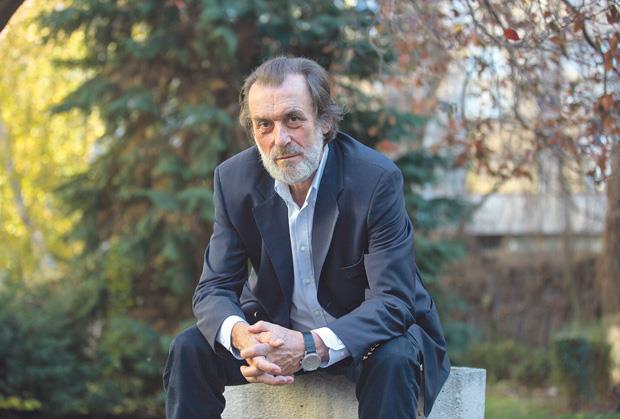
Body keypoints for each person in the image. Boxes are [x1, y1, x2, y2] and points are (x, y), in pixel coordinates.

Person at [163, 56, 450, 419]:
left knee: (394, 358)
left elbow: (393, 301)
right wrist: (242, 337)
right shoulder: (234, 181)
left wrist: (310, 345)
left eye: (293, 119)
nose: (279, 139)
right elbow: (213, 288)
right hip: (278, 336)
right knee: (189, 348)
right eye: (264, 125)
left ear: (325, 121)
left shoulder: (374, 180)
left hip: (364, 338)